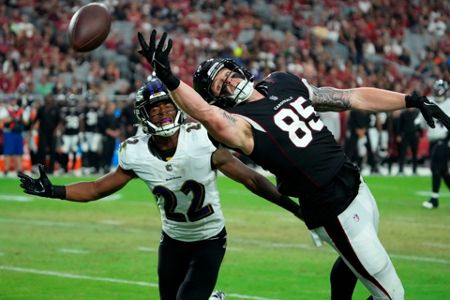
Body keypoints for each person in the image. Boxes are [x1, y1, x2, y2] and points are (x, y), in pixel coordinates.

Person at [137, 30, 450, 300]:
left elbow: (349, 96)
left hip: (355, 184)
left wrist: (411, 99)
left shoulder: (282, 82)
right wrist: (170, 79)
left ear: (240, 68)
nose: (230, 83)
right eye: (220, 86)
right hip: (331, 207)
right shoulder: (240, 125)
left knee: (349, 263)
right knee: (393, 294)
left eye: (228, 75)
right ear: (218, 100)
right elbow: (207, 115)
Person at [18, 78, 302, 300]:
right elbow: (96, 188)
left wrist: (295, 208)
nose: (164, 113)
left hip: (209, 239)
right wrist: (54, 190)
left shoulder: (202, 140)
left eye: (168, 106)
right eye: (156, 108)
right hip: (173, 242)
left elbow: (251, 179)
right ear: (145, 115)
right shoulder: (135, 153)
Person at [422, 79, 450, 209]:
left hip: (444, 140)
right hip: (434, 141)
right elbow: (421, 119)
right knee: (443, 171)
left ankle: (434, 199)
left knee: (435, 168)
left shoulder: (449, 103)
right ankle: (434, 198)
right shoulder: (430, 100)